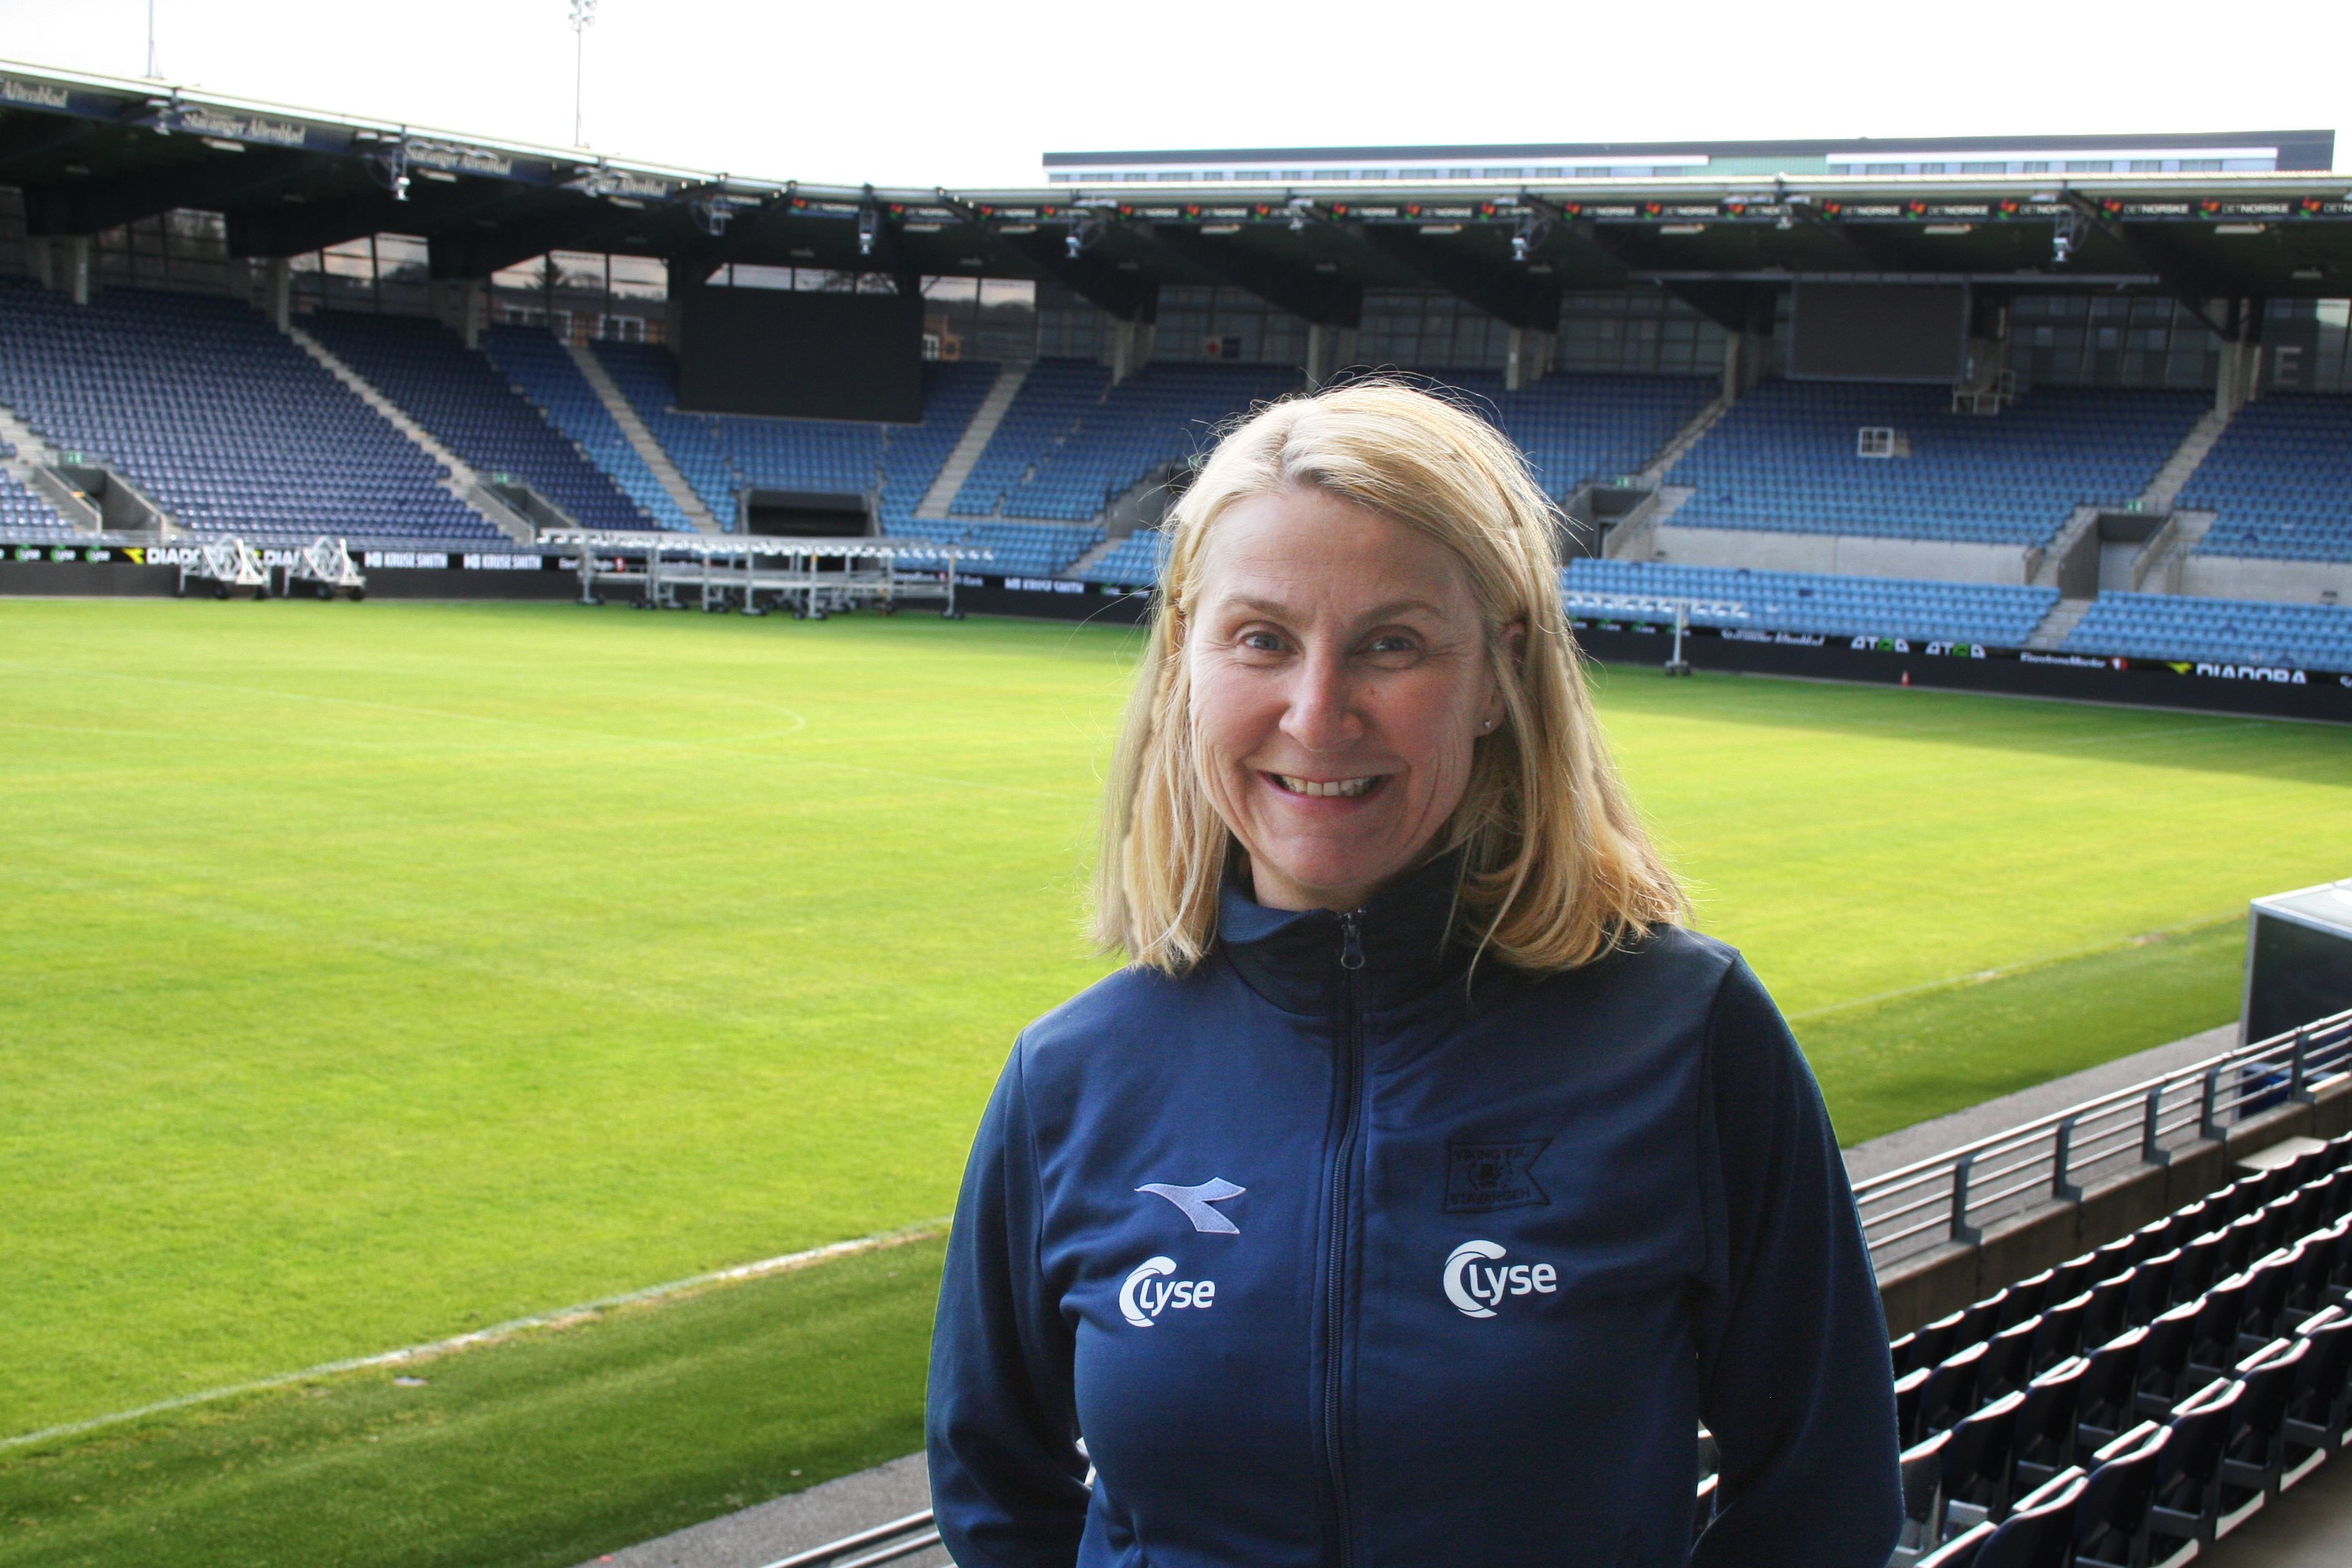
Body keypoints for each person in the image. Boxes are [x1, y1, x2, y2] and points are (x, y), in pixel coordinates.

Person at [926, 380, 1901, 1567]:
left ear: (1499, 674)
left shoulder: (1688, 1039)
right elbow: (991, 1480)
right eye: (1261, 639)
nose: (1317, 713)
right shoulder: (1071, 1079)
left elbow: (1825, 1495)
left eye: (1391, 645)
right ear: (1185, 659)